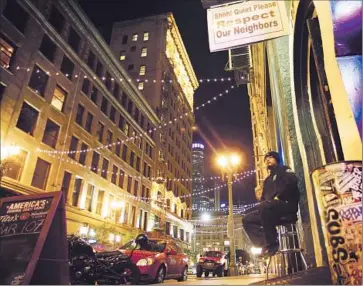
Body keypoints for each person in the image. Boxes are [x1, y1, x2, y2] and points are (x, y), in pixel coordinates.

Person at [242, 151, 300, 257]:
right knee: (247, 219)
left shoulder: (284, 170)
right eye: (266, 158)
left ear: (277, 159)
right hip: (270, 210)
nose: (268, 159)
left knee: (264, 206)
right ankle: (264, 244)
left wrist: (280, 196)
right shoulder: (267, 180)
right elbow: (263, 200)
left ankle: (272, 243)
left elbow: (292, 182)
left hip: (286, 206)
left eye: (271, 157)